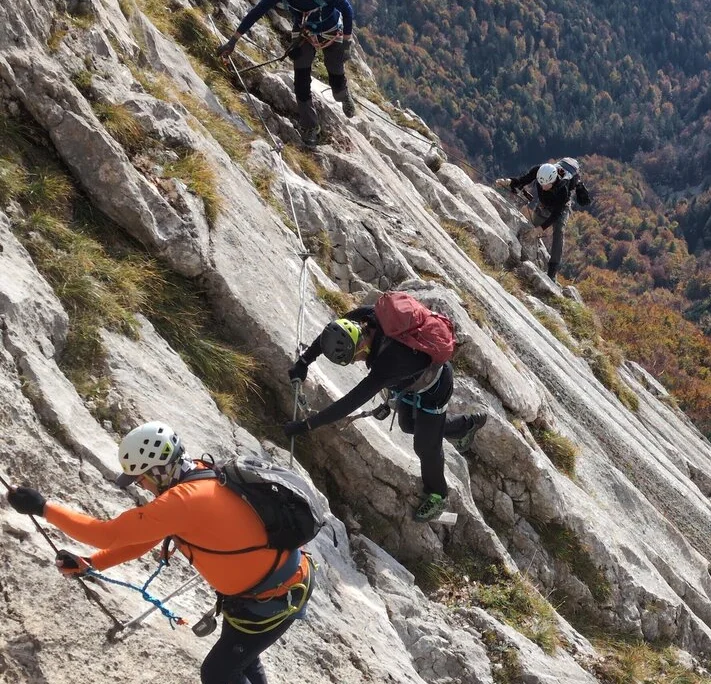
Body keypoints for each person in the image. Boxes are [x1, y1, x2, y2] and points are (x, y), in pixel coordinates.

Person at [4, 422, 314, 684]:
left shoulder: (183, 501)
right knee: (240, 661)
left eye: (143, 479)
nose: (143, 487)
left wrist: (43, 507)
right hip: (267, 594)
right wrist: (91, 564)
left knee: (218, 672)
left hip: (273, 598)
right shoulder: (201, 476)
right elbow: (143, 541)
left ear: (159, 470)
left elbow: (106, 534)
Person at [283, 307, 487, 522]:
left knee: (425, 445)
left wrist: (305, 426)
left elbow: (349, 403)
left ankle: (438, 494)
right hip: (411, 382)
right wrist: (304, 362)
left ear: (360, 348)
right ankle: (465, 426)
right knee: (408, 426)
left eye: (354, 359)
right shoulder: (368, 318)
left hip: (435, 388)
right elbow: (330, 334)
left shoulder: (388, 365)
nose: (355, 363)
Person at [217, 0, 357, 146]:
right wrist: (232, 41)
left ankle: (343, 95)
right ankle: (311, 127)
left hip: (332, 32)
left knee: (336, 78)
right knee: (301, 80)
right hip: (305, 34)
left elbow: (347, 10)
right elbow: (257, 11)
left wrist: (347, 43)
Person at [502, 157, 592, 281]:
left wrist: (540, 229)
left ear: (554, 180)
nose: (543, 187)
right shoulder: (539, 171)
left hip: (560, 207)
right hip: (544, 205)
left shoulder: (563, 188)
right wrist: (509, 181)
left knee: (559, 232)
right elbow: (523, 180)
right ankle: (524, 254)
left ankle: (552, 271)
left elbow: (556, 214)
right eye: (541, 184)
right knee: (530, 229)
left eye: (546, 185)